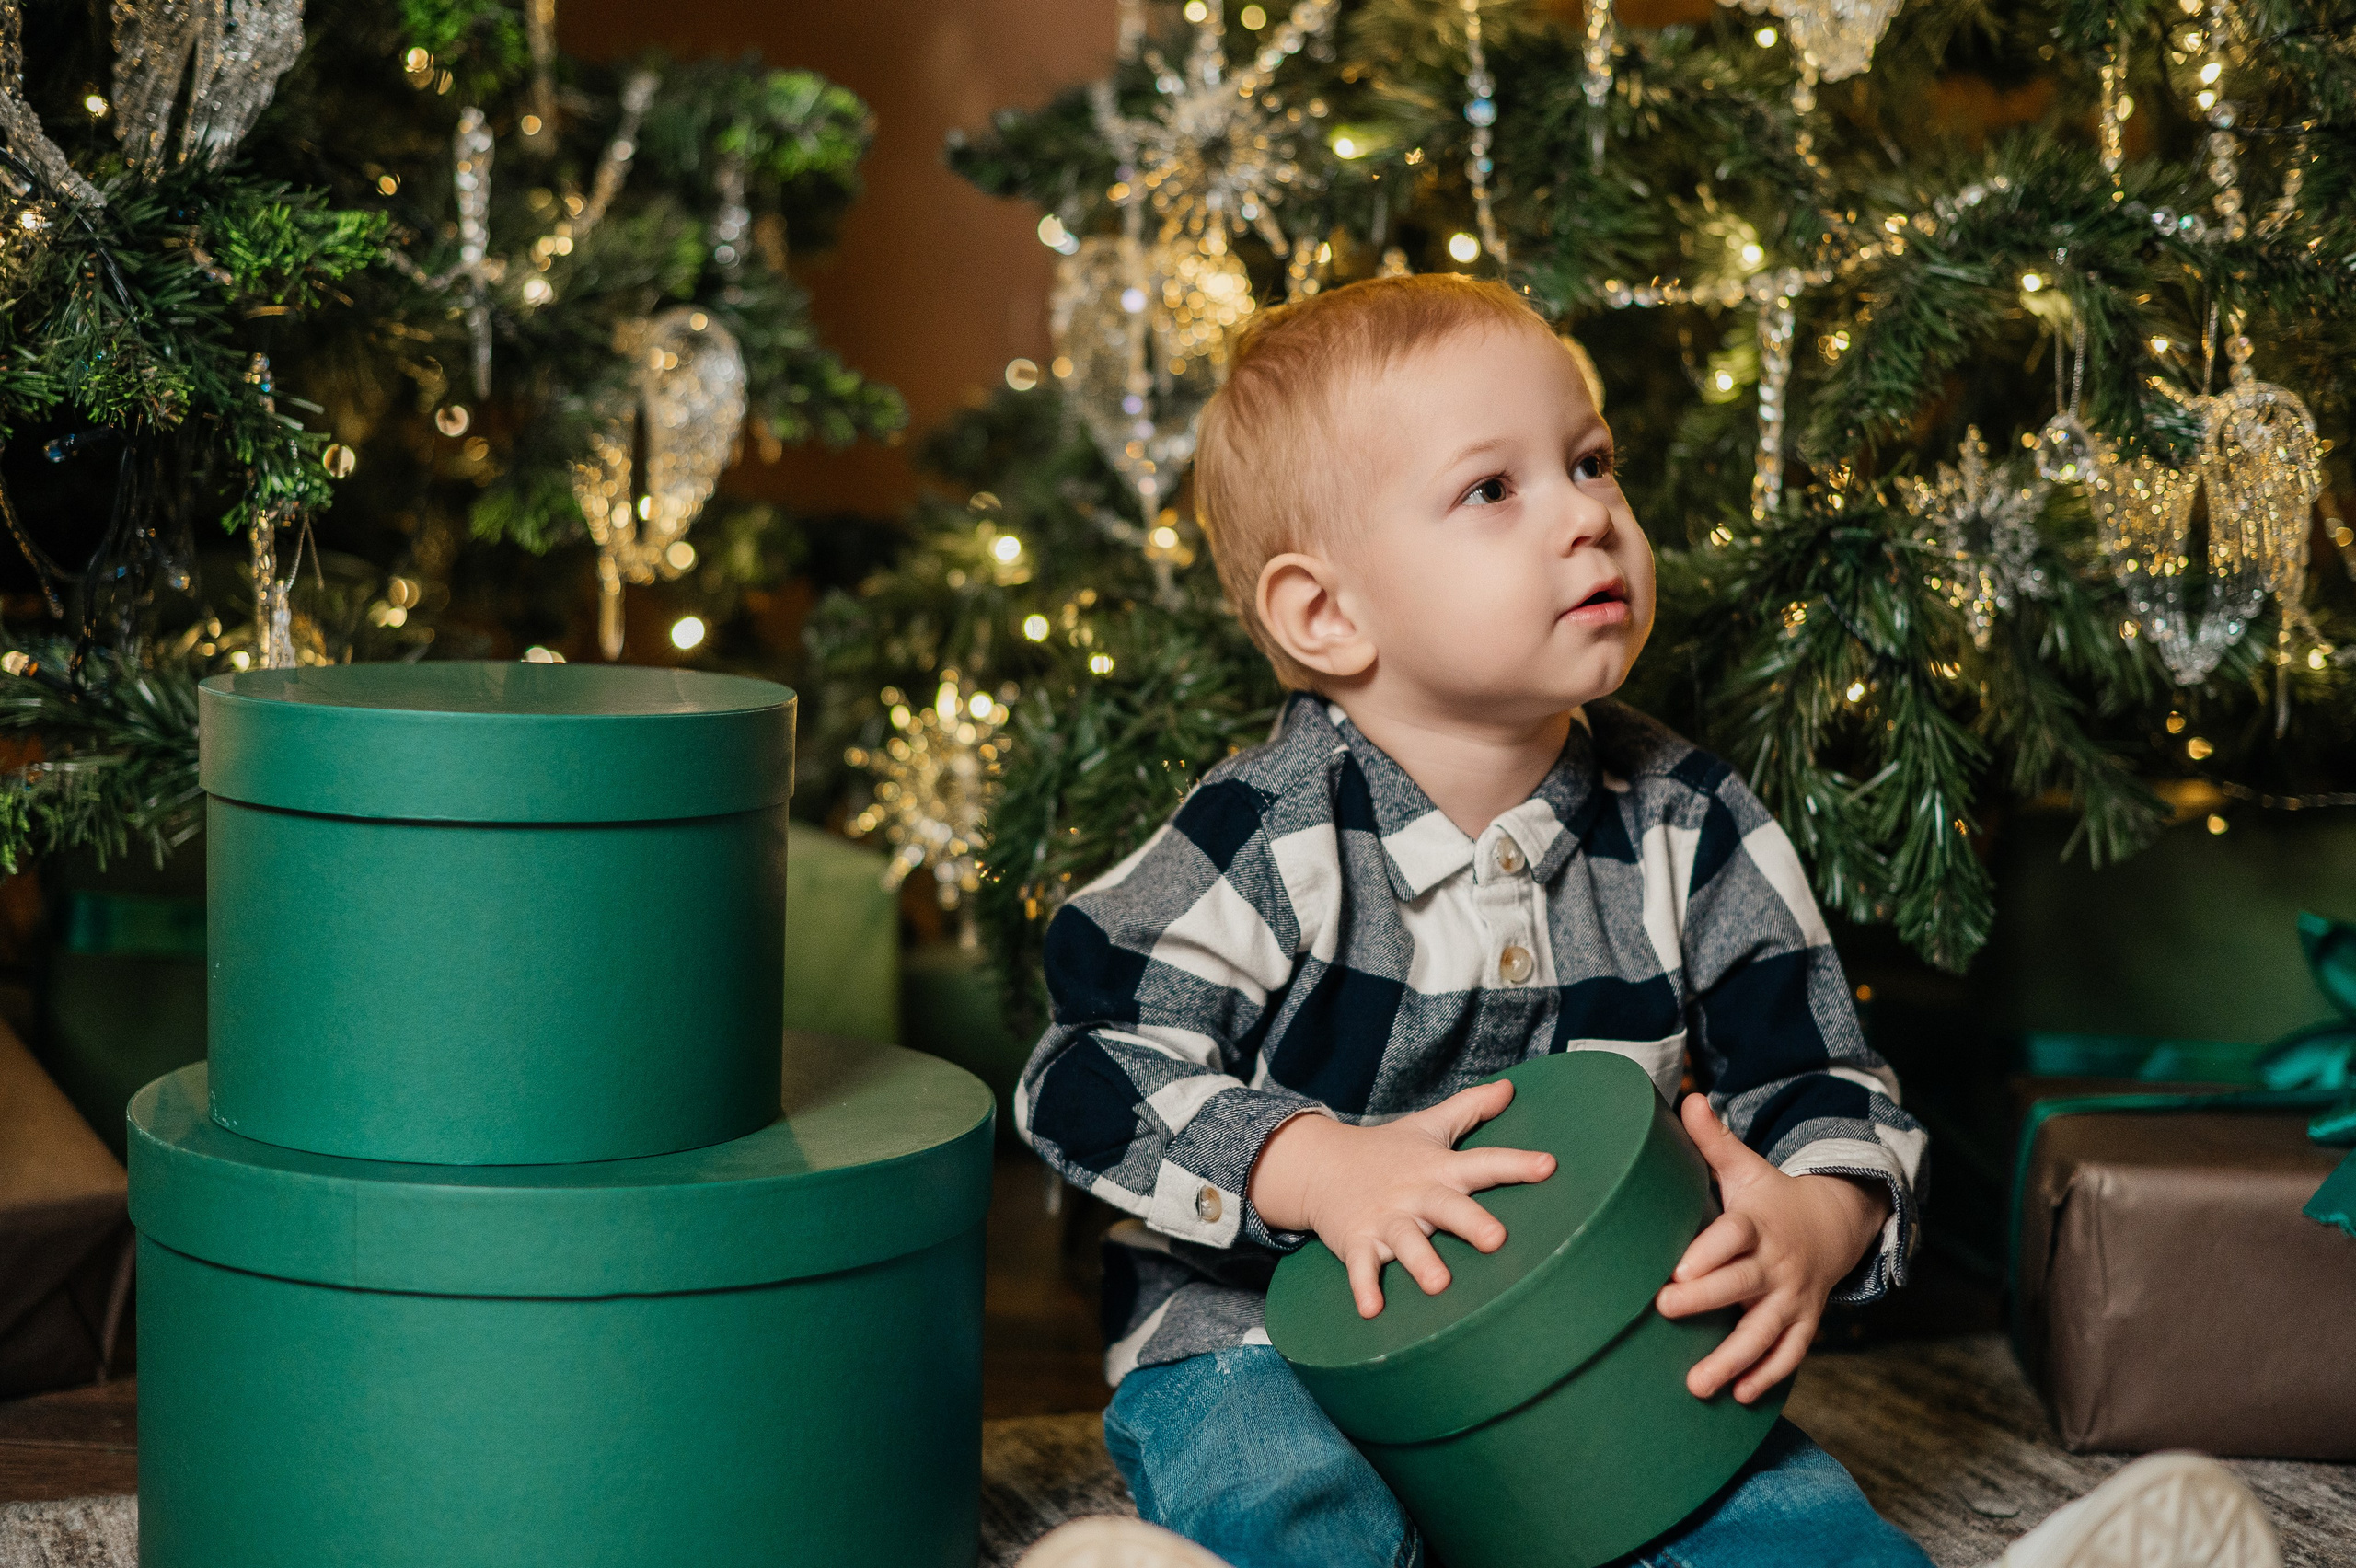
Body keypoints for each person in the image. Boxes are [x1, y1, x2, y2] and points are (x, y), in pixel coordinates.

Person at [1012, 274, 2277, 1568]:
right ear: (1326, 614)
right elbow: (1087, 1069)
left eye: (1591, 461)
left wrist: (1818, 1215)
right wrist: (1314, 1166)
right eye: (1492, 490)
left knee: (1768, 1506)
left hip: (1594, 1342)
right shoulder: (1270, 833)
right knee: (1280, 1489)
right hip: (1268, 1338)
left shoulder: (1691, 821)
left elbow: (1819, 1074)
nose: (1588, 518)